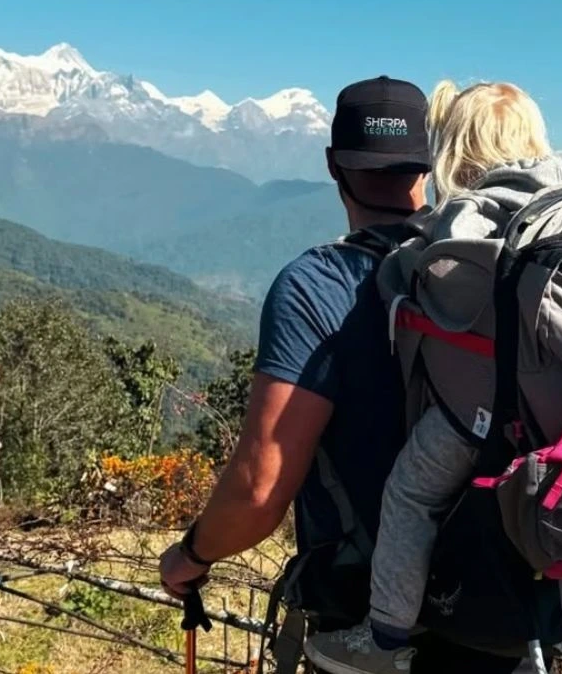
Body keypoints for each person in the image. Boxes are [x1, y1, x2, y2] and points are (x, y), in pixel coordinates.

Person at [160, 76, 524, 674]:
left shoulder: (316, 287)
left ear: (333, 166)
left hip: (368, 631)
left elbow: (259, 488)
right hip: (504, 612)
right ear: (428, 164)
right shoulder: (489, 269)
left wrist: (192, 554)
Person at [302, 80, 562, 674]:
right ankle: (554, 641)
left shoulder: (476, 211)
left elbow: (432, 282)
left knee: (411, 494)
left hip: (489, 406)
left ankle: (385, 638)